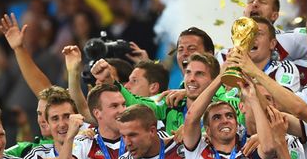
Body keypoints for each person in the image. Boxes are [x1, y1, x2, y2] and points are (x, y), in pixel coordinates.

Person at [96, 53, 243, 137]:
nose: (191, 79)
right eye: (188, 73)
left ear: (213, 80)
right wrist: (111, 82)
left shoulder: (225, 109)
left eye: (199, 74)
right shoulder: (170, 104)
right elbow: (136, 106)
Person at [216, 16, 301, 92]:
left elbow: (285, 103)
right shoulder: (227, 67)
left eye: (258, 34)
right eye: (247, 34)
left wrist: (254, 71)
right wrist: (221, 78)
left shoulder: (284, 68)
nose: (251, 38)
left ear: (272, 44)